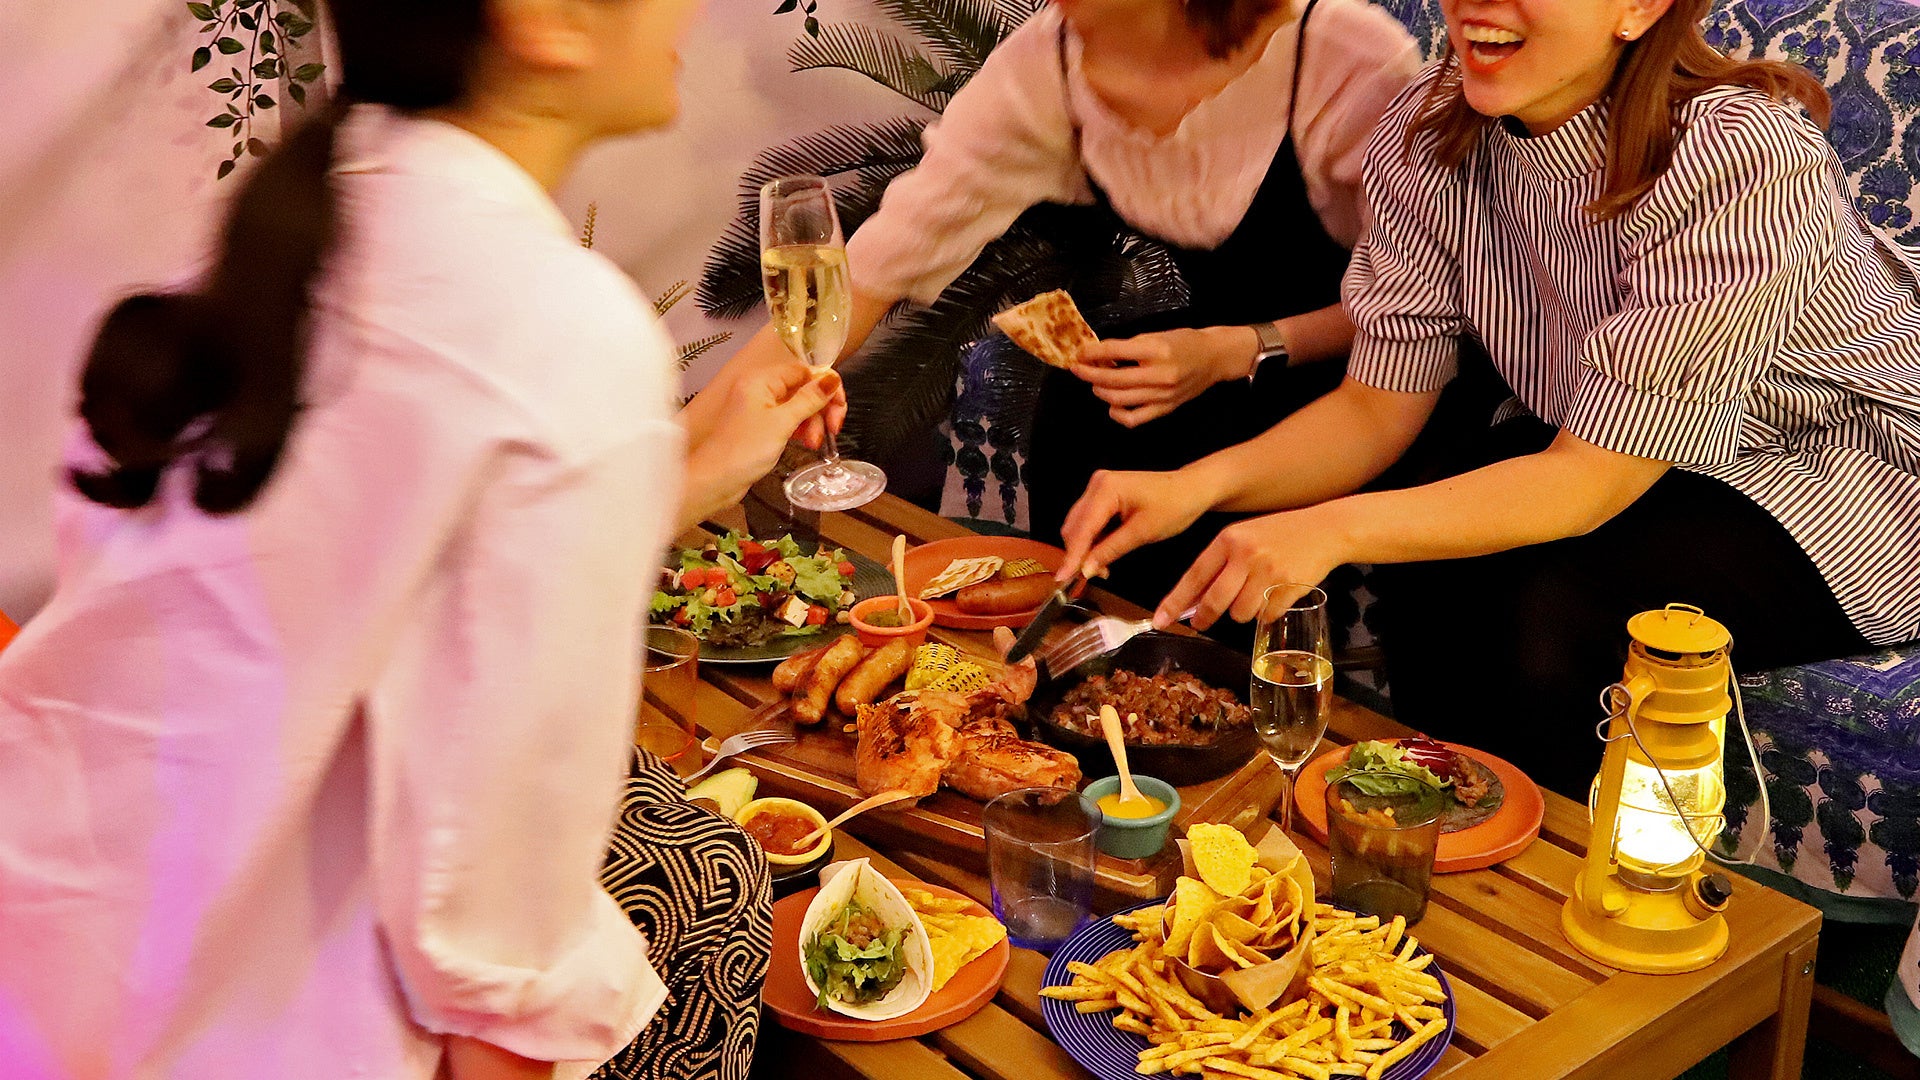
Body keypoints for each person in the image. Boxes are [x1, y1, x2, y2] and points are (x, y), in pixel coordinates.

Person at [0, 1, 841, 1078]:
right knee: (705, 886)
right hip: (242, 1030)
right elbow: (497, 977)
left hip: (65, 960)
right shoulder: (560, 329)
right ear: (547, 18)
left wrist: (686, 466)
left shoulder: (295, 240)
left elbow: (364, 584)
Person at [1057, 0, 1920, 795]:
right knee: (1433, 568)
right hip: (1603, 432)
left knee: (1548, 609)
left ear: (1640, 8)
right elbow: (1376, 407)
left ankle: (1536, 906)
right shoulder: (1432, 128)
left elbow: (1590, 482)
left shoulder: (1739, 158)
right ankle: (1424, 847)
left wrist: (1333, 525)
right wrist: (1195, 487)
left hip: (1835, 467)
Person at [725, 0, 1421, 605]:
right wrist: (683, 465)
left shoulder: (1340, 60)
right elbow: (869, 273)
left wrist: (1235, 348)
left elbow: (1418, 317)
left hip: (1327, 422)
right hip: (1136, 425)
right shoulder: (1043, 62)